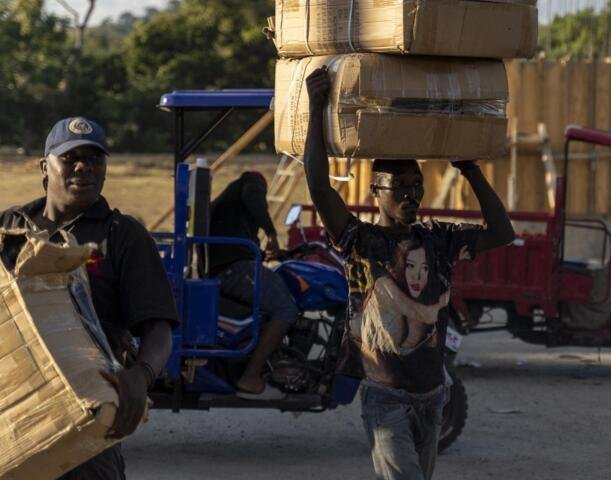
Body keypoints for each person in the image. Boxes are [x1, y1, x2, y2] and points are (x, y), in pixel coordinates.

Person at [303, 66, 515, 480]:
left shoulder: (439, 239)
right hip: (385, 396)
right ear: (375, 191)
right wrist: (315, 108)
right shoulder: (359, 240)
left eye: (416, 185)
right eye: (398, 186)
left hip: (432, 396)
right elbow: (318, 185)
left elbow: (502, 233)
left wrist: (470, 169)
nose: (410, 194)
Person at [0, 117, 179, 480]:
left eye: (94, 159)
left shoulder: (123, 235)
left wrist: (140, 376)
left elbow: (158, 327)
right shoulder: (5, 228)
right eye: (70, 158)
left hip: (86, 411)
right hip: (6, 405)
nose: (84, 167)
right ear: (44, 167)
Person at [208, 170, 299, 398]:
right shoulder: (251, 181)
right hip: (234, 267)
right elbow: (252, 196)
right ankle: (251, 376)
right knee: (286, 308)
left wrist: (269, 253)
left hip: (229, 264)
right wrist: (271, 233)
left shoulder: (228, 205)